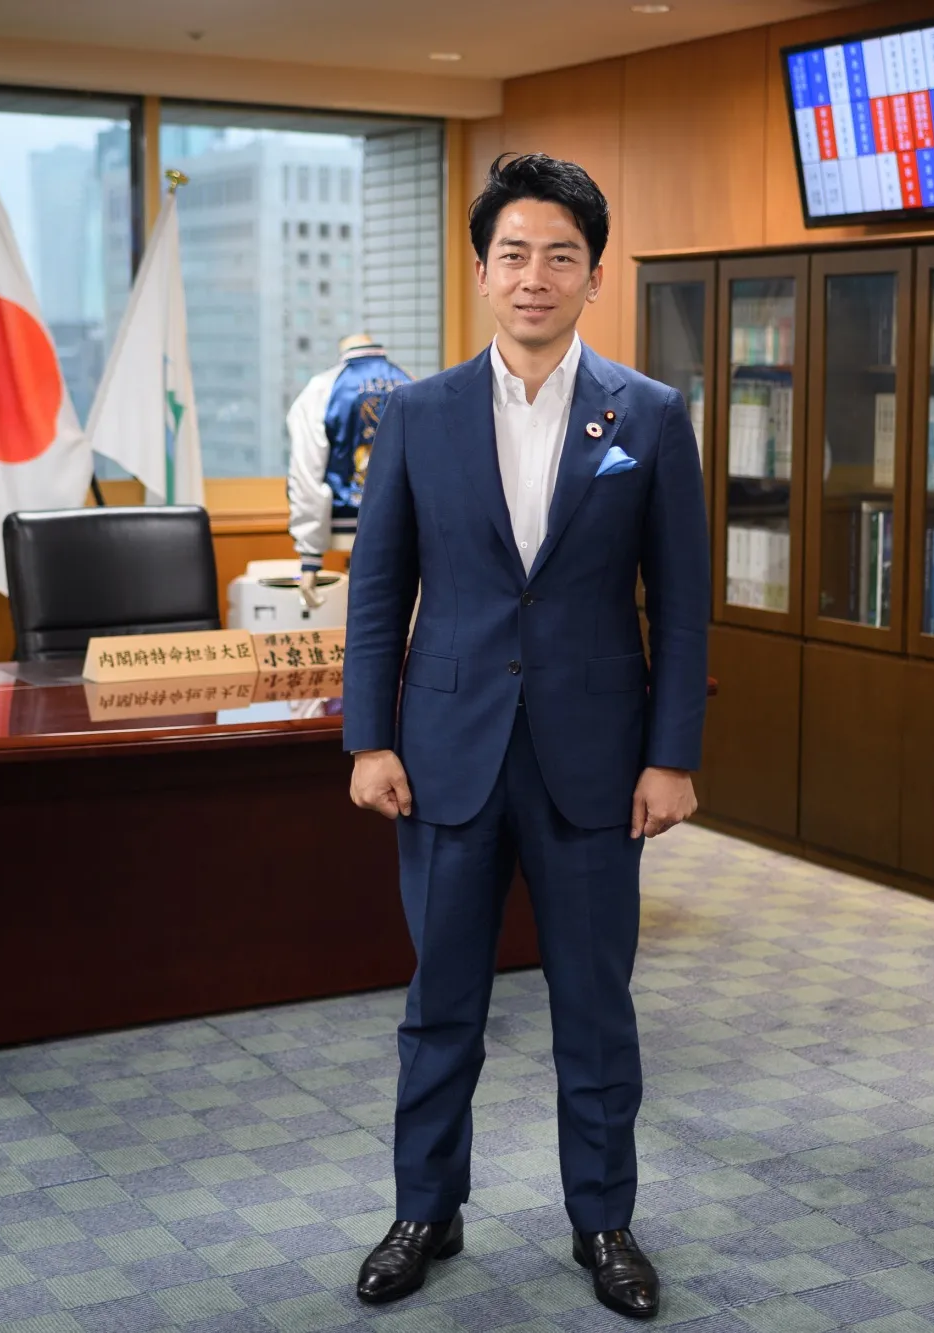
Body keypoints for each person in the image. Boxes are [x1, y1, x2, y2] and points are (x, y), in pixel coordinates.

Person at [341, 153, 709, 1320]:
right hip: (444, 749)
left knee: (593, 1009)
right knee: (438, 1003)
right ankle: (422, 1209)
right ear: (482, 271)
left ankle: (602, 1223)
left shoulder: (647, 417)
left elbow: (683, 601)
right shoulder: (417, 412)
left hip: (597, 762)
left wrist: (672, 755)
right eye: (514, 255)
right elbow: (377, 588)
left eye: (560, 256)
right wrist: (367, 738)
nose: (534, 276)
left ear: (593, 275)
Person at [285, 332, 410, 609]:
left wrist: (310, 556)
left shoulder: (323, 388)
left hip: (345, 525)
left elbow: (307, 474)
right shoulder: (410, 382)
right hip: (408, 527)